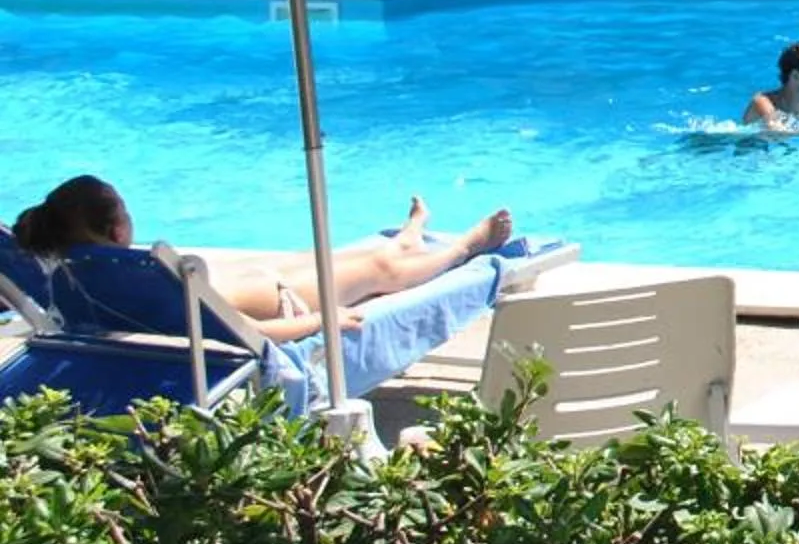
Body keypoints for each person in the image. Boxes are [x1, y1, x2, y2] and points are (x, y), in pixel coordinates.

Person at [11, 174, 513, 343]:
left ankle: (407, 238)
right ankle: (467, 245)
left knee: (324, 258)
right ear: (118, 228)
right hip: (279, 306)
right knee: (381, 273)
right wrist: (325, 320)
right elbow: (231, 339)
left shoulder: (69, 271)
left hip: (246, 287)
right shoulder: (131, 271)